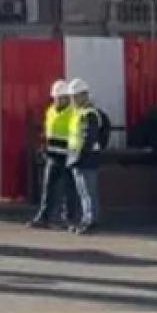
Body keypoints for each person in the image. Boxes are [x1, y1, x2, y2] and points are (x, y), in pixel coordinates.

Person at [64, 78, 109, 235]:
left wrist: (78, 156)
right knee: (84, 192)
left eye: (75, 96)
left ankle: (91, 220)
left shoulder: (89, 114)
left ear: (84, 95)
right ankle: (87, 219)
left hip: (85, 159)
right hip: (78, 158)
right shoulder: (80, 113)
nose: (72, 100)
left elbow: (88, 138)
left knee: (88, 192)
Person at [28, 80, 74, 228]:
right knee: (48, 188)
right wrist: (45, 147)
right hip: (53, 155)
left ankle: (68, 219)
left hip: (68, 156)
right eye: (56, 97)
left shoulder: (73, 113)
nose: (59, 100)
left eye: (62, 97)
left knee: (69, 190)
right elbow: (49, 132)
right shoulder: (51, 110)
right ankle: (43, 217)